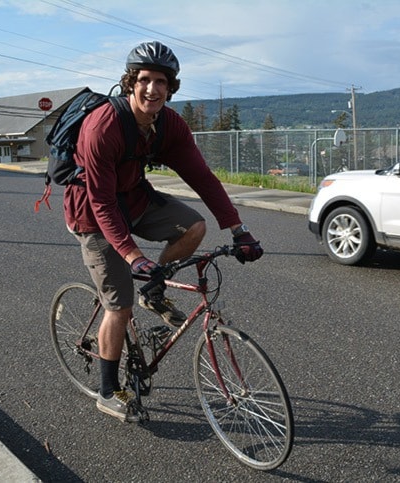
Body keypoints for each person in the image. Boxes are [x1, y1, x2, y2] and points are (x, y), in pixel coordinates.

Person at [63, 40, 263, 422]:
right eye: (145, 80)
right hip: (92, 212)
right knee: (118, 307)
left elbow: (202, 179)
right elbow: (102, 202)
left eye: (162, 82)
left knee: (193, 226)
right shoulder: (102, 126)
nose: (153, 89)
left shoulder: (168, 125)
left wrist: (239, 230)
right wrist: (132, 255)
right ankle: (107, 392)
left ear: (171, 88)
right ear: (130, 83)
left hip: (134, 198)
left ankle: (153, 293)